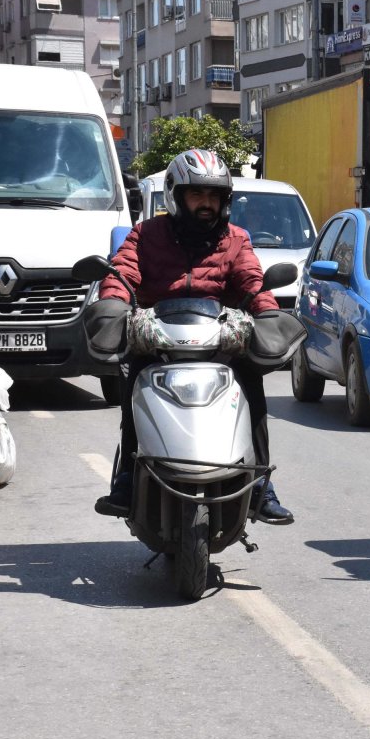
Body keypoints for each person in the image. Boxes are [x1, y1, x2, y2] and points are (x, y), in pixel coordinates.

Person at [93, 149, 295, 525]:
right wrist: (112, 305)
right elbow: (122, 272)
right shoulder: (146, 234)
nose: (206, 204)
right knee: (135, 381)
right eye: (197, 195)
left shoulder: (236, 239)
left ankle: (261, 485)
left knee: (252, 388)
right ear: (175, 195)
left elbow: (253, 280)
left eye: (214, 196)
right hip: (159, 338)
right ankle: (126, 479)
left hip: (218, 340)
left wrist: (267, 314)